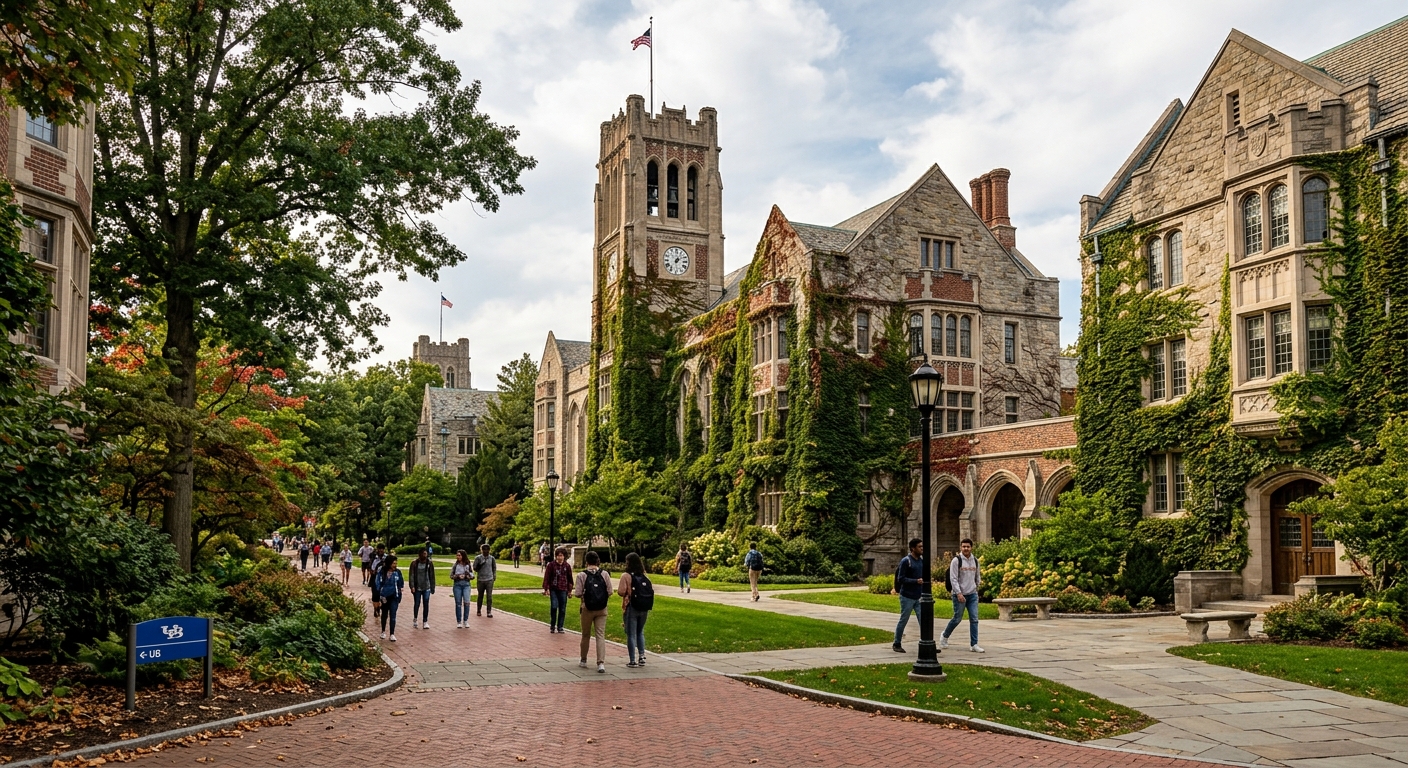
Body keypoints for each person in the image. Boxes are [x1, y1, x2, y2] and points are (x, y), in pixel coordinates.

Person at [942, 538, 984, 653]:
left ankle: (974, 644)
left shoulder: (975, 560)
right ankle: (945, 636)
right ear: (961, 547)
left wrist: (976, 587)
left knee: (974, 619)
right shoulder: (956, 560)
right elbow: (953, 578)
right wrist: (959, 593)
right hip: (959, 595)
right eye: (964, 546)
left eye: (968, 546)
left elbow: (977, 576)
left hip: (972, 594)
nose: (966, 548)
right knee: (957, 619)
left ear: (971, 547)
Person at [574, 551, 612, 673]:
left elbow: (578, 593)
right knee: (600, 635)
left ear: (586, 562)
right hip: (602, 608)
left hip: (587, 608)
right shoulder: (605, 574)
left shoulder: (581, 575)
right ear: (597, 561)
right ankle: (601, 663)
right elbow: (610, 591)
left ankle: (583, 659)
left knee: (585, 634)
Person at [617, 552, 654, 668]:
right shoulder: (645, 576)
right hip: (644, 607)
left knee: (631, 634)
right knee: (640, 631)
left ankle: (632, 660)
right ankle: (642, 656)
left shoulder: (626, 576)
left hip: (631, 606)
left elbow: (621, 591)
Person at [892, 538, 924, 653]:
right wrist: (915, 581)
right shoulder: (906, 561)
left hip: (919, 596)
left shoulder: (921, 561)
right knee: (904, 619)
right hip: (907, 596)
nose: (922, 549)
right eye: (920, 547)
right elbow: (901, 578)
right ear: (913, 548)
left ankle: (926, 643)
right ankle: (897, 643)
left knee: (923, 621)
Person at [541, 547, 573, 633]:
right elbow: (547, 578)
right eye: (558, 556)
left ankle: (560, 626)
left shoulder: (567, 566)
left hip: (563, 589)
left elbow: (570, 579)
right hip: (554, 589)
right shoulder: (551, 565)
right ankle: (552, 625)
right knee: (554, 606)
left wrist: (569, 591)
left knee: (562, 609)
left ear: (564, 556)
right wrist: (546, 588)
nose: (559, 557)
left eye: (561, 556)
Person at [375, 556, 404, 641]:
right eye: (393, 563)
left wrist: (400, 590)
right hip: (384, 596)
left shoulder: (398, 572)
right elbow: (378, 583)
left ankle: (392, 633)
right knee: (384, 614)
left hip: (394, 596)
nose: (395, 565)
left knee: (393, 614)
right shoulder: (382, 572)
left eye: (396, 563)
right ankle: (383, 631)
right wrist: (380, 594)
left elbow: (401, 583)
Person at [408, 549, 436, 630]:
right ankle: (415, 619)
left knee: (426, 603)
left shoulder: (429, 563)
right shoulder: (414, 563)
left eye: (426, 554)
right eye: (423, 554)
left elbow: (432, 576)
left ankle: (425, 621)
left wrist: (432, 587)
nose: (425, 555)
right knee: (417, 603)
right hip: (417, 587)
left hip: (426, 586)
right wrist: (412, 586)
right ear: (420, 554)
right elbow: (411, 575)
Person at [451, 550, 475, 628]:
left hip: (466, 585)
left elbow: (472, 575)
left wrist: (467, 576)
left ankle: (465, 620)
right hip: (457, 585)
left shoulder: (467, 565)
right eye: (457, 555)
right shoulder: (455, 565)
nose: (458, 557)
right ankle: (459, 621)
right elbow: (451, 575)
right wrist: (457, 576)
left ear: (463, 556)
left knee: (467, 602)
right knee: (458, 603)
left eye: (459, 555)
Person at [473, 544, 497, 617]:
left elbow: (494, 567)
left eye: (487, 550)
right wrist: (480, 564)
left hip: (489, 579)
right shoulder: (478, 558)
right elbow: (474, 568)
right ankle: (479, 610)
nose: (486, 551)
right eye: (484, 550)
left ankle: (489, 611)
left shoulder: (492, 558)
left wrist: (494, 576)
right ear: (481, 550)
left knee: (489, 596)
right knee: (480, 595)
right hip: (481, 579)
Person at [368, 543, 387, 619]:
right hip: (374, 579)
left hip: (384, 580)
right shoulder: (373, 557)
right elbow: (370, 566)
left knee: (383, 596)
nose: (380, 551)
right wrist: (372, 571)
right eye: (379, 549)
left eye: (382, 549)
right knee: (375, 595)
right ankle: (376, 609)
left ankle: (381, 607)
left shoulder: (386, 558)